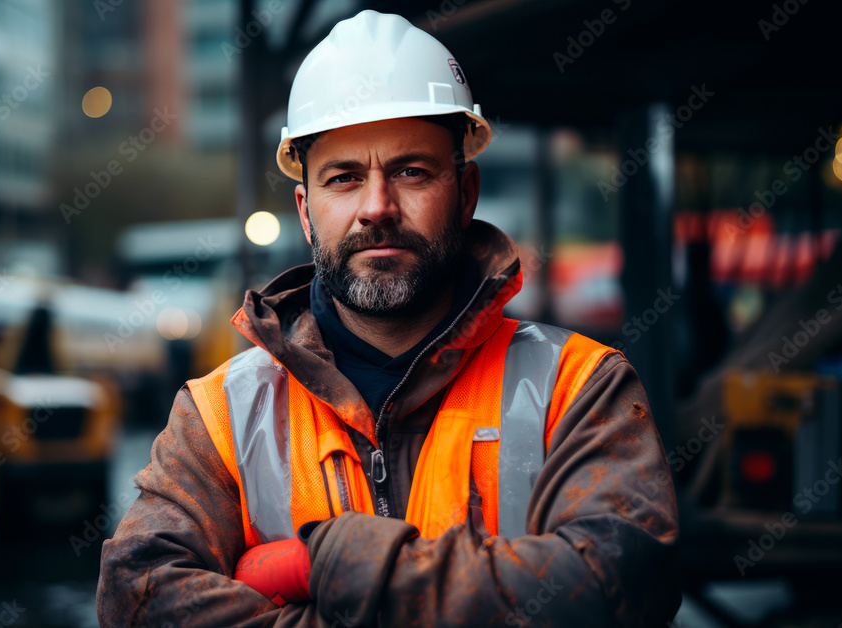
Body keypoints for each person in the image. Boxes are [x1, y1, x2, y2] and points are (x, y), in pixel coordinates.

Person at [97, 10, 680, 627]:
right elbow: (137, 597)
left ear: (466, 192)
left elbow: (623, 582)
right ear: (305, 209)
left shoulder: (579, 387)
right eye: (344, 178)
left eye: (411, 171)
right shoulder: (222, 416)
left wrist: (330, 563)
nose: (377, 207)